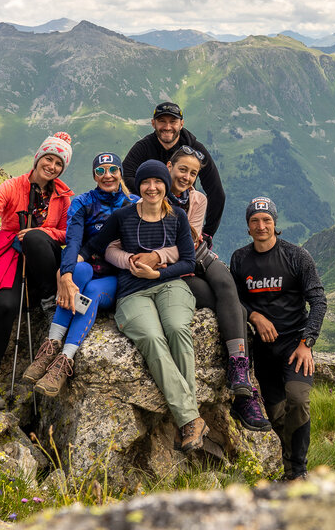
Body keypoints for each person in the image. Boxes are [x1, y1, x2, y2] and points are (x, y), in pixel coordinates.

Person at [106, 147, 271, 431]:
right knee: (210, 299)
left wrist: (159, 257)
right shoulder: (152, 193)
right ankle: (221, 401)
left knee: (225, 286)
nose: (187, 177)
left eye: (193, 173)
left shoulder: (197, 199)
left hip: (196, 256)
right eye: (182, 170)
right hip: (179, 268)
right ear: (169, 167)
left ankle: (239, 367)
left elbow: (192, 241)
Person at [81, 160, 207, 452]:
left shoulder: (177, 217)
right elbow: (95, 247)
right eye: (146, 182)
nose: (152, 188)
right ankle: (191, 419)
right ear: (138, 186)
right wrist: (69, 267)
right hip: (132, 291)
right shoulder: (123, 216)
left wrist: (158, 272)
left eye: (158, 182)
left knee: (177, 328)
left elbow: (189, 262)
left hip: (170, 285)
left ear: (165, 185)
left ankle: (186, 420)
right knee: (151, 338)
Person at [0, 133, 74, 411]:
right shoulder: (12, 187)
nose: (53, 166)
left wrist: (40, 232)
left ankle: (48, 296)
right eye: (49, 158)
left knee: (34, 239)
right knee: (5, 303)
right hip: (12, 258)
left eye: (59, 163)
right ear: (38, 157)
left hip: (45, 262)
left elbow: (69, 232)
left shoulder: (65, 196)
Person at [20, 152, 135, 397]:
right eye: (101, 171)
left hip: (114, 278)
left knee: (91, 291)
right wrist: (66, 276)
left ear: (120, 173)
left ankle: (65, 360)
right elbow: (72, 242)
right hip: (87, 266)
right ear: (94, 175)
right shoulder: (83, 202)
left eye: (113, 169)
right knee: (79, 270)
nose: (107, 176)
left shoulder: (133, 203)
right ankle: (51, 344)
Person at [229, 196, 326, 481]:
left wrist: (307, 343)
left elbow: (318, 301)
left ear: (275, 223)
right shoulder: (240, 259)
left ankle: (299, 472)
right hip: (262, 350)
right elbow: (232, 300)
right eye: (255, 221)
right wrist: (254, 316)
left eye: (266, 220)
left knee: (297, 400)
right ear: (248, 227)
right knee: (276, 412)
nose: (261, 226)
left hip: (294, 345)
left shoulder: (297, 257)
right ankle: (288, 471)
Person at [122, 101, 225, 241]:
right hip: (148, 217)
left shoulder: (195, 148)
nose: (167, 127)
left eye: (173, 121)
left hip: (186, 217)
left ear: (181, 124)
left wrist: (207, 234)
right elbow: (123, 178)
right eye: (162, 121)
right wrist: (157, 193)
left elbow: (216, 191)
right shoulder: (143, 147)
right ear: (153, 123)